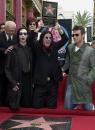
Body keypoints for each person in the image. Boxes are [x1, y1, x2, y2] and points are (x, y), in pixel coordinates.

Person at [32, 24, 69, 108]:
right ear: (42, 39)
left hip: (53, 83)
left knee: (51, 107)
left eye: (50, 38)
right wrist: (37, 29)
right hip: (40, 83)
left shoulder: (55, 46)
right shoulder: (37, 46)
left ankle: (47, 102)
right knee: (36, 106)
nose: (48, 40)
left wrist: (59, 29)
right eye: (46, 37)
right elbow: (30, 40)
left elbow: (65, 39)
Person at [63, 25, 95, 110]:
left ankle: (89, 104)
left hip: (83, 83)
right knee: (67, 107)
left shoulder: (90, 50)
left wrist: (88, 80)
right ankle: (75, 104)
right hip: (71, 82)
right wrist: (61, 69)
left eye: (77, 35)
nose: (74, 37)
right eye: (73, 35)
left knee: (88, 109)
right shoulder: (70, 48)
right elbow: (67, 63)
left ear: (83, 35)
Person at [5, 27, 33, 110]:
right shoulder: (13, 50)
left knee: (28, 106)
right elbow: (7, 69)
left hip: (28, 81)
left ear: (27, 36)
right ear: (18, 36)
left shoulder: (30, 49)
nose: (23, 35)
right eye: (21, 34)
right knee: (15, 106)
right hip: (17, 80)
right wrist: (12, 83)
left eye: (25, 34)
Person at [0, 21, 17, 106]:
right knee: (1, 85)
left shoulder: (16, 36)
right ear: (5, 29)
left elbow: (18, 45)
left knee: (10, 85)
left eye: (14, 30)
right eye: (10, 30)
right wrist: (4, 50)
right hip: (1, 65)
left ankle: (9, 102)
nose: (12, 32)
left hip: (12, 66)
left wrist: (13, 47)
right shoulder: (0, 36)